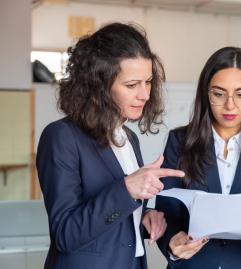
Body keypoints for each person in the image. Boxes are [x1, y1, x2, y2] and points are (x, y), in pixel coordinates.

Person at [36, 23, 185, 269]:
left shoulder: (129, 137)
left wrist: (145, 218)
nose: (145, 94)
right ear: (99, 86)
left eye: (148, 82)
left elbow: (114, 220)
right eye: (131, 85)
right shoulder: (61, 136)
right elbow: (66, 234)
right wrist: (126, 189)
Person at [155, 47, 241, 269]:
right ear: (206, 93)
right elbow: (167, 212)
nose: (230, 105)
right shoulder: (179, 141)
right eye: (219, 94)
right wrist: (172, 244)